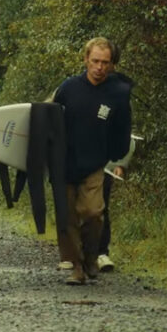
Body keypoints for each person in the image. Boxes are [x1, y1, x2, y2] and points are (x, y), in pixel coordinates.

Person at [53, 37, 132, 285]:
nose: (99, 67)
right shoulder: (68, 88)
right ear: (86, 59)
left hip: (95, 163)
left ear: (111, 65)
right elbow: (50, 121)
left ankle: (91, 256)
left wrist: (118, 157)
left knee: (93, 212)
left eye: (105, 62)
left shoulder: (118, 94)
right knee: (67, 218)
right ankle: (77, 266)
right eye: (95, 61)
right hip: (64, 162)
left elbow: (123, 128)